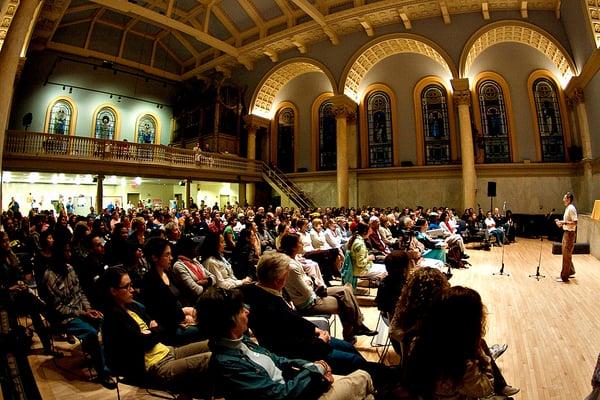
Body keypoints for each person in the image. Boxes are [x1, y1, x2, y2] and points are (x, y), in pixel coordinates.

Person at [197, 287, 376, 400]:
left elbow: (278, 359)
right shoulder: (228, 364)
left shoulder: (240, 341)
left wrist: (311, 365)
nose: (247, 312)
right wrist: (315, 371)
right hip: (292, 390)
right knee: (363, 377)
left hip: (296, 382)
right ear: (229, 319)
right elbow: (280, 394)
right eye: (240, 310)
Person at [241, 252, 371, 376]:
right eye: (286, 275)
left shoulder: (264, 289)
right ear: (277, 280)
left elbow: (294, 320)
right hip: (296, 353)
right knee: (356, 361)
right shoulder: (267, 307)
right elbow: (287, 345)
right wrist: (320, 341)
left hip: (305, 339)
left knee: (348, 347)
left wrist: (315, 329)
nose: (287, 278)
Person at [100, 266, 212, 396]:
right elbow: (144, 342)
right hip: (155, 366)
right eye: (126, 287)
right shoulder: (113, 319)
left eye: (131, 285)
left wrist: (152, 331)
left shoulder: (132, 305)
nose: (132, 290)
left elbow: (158, 329)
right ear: (113, 291)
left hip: (168, 350)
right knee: (210, 358)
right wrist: (152, 330)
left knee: (213, 344)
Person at [281, 233, 377, 344]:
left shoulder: (293, 259)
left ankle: (357, 326)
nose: (303, 244)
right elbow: (307, 291)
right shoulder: (291, 266)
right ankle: (351, 334)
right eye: (300, 242)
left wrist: (310, 281)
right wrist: (311, 281)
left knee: (347, 288)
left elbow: (307, 281)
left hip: (313, 294)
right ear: (293, 247)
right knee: (345, 303)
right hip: (308, 303)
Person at [555, 191, 577, 283]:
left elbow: (575, 222)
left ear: (568, 199)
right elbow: (567, 222)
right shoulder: (568, 208)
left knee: (566, 255)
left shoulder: (571, 208)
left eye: (564, 198)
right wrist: (560, 223)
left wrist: (563, 222)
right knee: (567, 254)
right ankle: (570, 271)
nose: (563, 199)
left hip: (569, 234)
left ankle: (564, 277)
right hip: (566, 232)